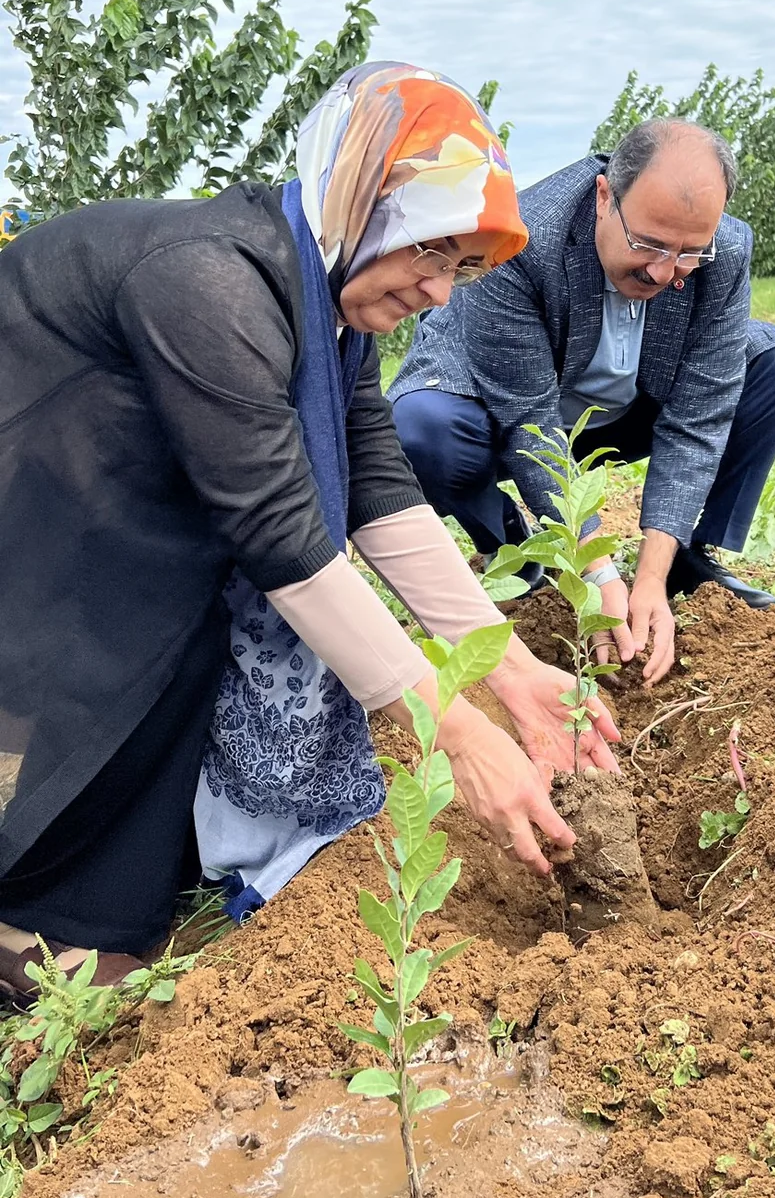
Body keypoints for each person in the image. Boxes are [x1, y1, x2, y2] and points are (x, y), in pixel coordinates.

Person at [0, 62, 619, 1002]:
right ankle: (32, 920)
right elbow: (282, 535)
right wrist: (452, 729)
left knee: (199, 607)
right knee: (153, 616)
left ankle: (116, 880)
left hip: (94, 483)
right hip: (35, 485)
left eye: (459, 268)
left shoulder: (323, 296)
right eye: (431, 252)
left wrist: (508, 667)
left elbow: (374, 478)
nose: (441, 293)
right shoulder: (212, 280)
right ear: (361, 198)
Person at [389, 118, 775, 685]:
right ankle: (516, 547)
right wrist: (595, 575)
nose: (666, 272)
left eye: (688, 253)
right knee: (425, 428)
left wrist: (647, 572)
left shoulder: (725, 251)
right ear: (603, 198)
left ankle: (687, 560)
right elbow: (529, 421)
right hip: (502, 407)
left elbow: (699, 416)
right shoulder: (520, 240)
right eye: (648, 244)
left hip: (629, 406)